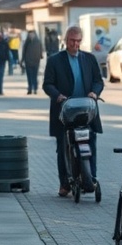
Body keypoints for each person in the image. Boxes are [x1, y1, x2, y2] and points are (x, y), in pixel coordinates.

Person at [42, 25, 104, 197]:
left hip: (86, 111)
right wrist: (58, 96)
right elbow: (47, 84)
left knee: (90, 143)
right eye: (72, 41)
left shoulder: (89, 59)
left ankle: (91, 178)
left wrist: (94, 92)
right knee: (63, 146)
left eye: (78, 41)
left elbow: (99, 81)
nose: (75, 44)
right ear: (65, 40)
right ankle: (65, 184)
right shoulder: (55, 60)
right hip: (65, 112)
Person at [21, 30, 44, 95]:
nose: (31, 35)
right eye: (30, 34)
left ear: (34, 34)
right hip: (28, 61)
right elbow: (24, 51)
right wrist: (22, 60)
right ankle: (30, 88)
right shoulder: (27, 42)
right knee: (29, 76)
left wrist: (40, 56)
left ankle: (35, 88)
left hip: (36, 61)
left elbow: (41, 50)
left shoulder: (38, 41)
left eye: (32, 34)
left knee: (35, 75)